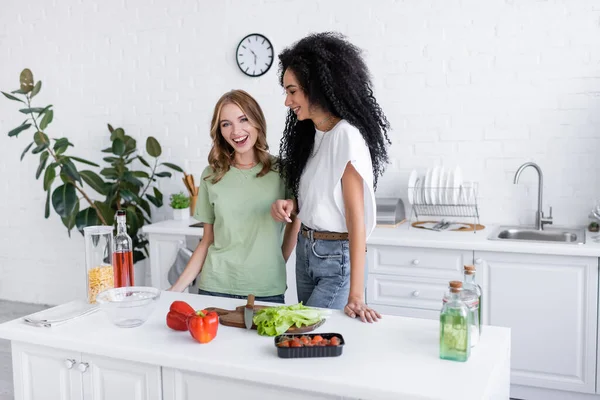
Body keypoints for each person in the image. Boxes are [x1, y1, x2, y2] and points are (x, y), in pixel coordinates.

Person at [271, 32, 391, 322]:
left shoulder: (345, 137)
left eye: (292, 91)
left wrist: (356, 295)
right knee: (310, 344)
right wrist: (294, 205)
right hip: (306, 253)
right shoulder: (313, 135)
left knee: (309, 333)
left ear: (315, 88)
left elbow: (355, 218)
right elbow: (321, 197)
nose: (287, 101)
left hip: (335, 258)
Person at [169, 90, 300, 303]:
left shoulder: (282, 171)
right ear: (219, 131)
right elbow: (207, 240)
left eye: (243, 119)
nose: (236, 131)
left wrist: (276, 261)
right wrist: (174, 291)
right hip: (214, 286)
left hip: (266, 289)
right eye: (226, 124)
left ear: (257, 121)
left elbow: (296, 220)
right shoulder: (211, 175)